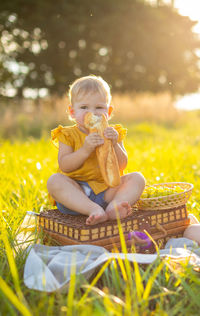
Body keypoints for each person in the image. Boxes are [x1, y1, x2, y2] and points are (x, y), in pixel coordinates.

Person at [47, 75, 145, 225]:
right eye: (84, 107)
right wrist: (85, 149)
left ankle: (115, 206)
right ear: (72, 112)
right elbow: (65, 165)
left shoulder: (113, 132)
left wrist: (115, 144)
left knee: (137, 178)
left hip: (108, 191)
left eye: (99, 107)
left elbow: (122, 165)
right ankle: (93, 209)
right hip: (78, 193)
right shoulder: (67, 134)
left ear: (109, 111)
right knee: (54, 181)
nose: (92, 113)